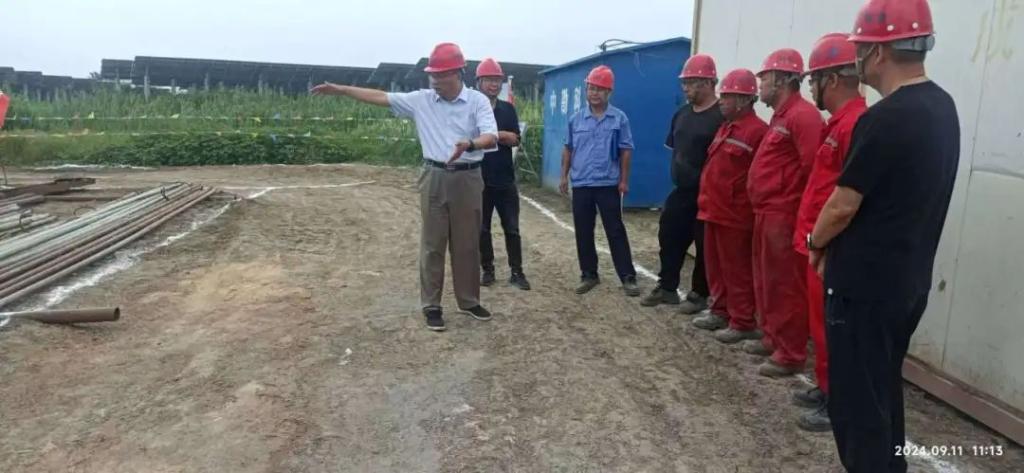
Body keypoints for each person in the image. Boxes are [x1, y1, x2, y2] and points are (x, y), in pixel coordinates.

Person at [809, 0, 958, 470]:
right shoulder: (942, 107)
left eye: (860, 49)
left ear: (878, 52)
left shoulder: (885, 118)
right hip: (907, 285)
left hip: (863, 292)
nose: (857, 60)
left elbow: (842, 205)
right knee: (882, 390)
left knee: (857, 407)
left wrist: (815, 242)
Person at [312, 42, 498, 332]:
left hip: (468, 178)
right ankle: (432, 305)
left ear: (457, 73)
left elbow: (491, 136)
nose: (434, 80)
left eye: (440, 74)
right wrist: (344, 90)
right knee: (433, 244)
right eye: (431, 74)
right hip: (434, 176)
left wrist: (470, 144)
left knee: (467, 244)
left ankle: (468, 300)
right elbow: (381, 97)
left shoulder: (477, 101)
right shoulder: (421, 100)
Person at [791, 33, 867, 433]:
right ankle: (825, 388)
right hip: (817, 243)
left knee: (833, 328)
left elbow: (848, 199)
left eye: (814, 79)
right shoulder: (837, 124)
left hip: (832, 248)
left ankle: (838, 401)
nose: (811, 88)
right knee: (820, 326)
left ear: (832, 80)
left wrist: (822, 241)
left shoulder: (855, 125)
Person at [746, 48, 824, 377]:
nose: (760, 85)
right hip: (767, 211)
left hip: (784, 213)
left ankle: (790, 352)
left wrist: (796, 212)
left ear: (780, 80)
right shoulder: (781, 117)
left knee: (785, 283)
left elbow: (813, 169)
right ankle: (772, 337)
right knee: (768, 279)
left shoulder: (803, 116)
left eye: (764, 78)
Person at [640, 54, 722, 313]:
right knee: (669, 233)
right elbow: (676, 150)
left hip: (710, 193)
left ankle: (699, 294)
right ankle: (667, 287)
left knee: (704, 244)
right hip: (683, 190)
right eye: (684, 82)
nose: (685, 88)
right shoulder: (682, 115)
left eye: (690, 82)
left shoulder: (721, 116)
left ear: (707, 82)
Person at [692, 69, 767, 343]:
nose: (721, 100)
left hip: (736, 215)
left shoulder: (757, 132)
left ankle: (743, 321)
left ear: (744, 100)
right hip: (713, 209)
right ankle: (720, 311)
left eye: (727, 96)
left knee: (737, 270)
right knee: (716, 267)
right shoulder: (726, 127)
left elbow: (758, 176)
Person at [559, 65, 641, 297]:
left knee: (615, 230)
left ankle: (627, 276)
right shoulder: (576, 120)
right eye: (591, 88)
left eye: (599, 89)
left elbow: (626, 150)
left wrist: (624, 180)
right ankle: (589, 274)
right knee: (583, 231)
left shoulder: (619, 119)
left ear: (609, 92)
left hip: (608, 184)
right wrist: (563, 176)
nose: (594, 93)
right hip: (582, 184)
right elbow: (568, 149)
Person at [474, 58, 530, 291]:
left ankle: (517, 272)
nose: (494, 84)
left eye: (497, 80)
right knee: (482, 228)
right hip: (479, 179)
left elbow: (515, 139)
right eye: (489, 80)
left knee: (512, 228)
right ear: (479, 82)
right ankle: (487, 270)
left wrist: (493, 135)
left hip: (505, 179)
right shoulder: (472, 108)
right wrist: (500, 136)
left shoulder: (507, 109)